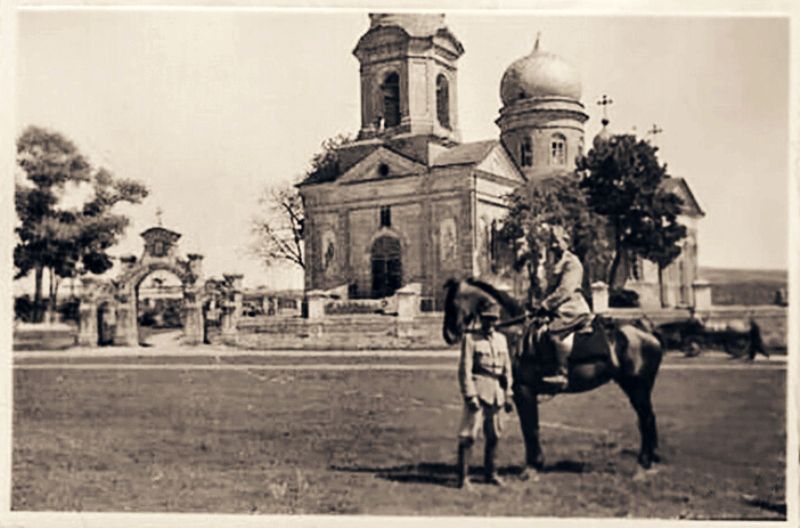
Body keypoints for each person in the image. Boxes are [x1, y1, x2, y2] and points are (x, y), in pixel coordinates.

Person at [456, 302, 514, 489]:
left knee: (494, 435)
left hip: (497, 392)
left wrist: (508, 393)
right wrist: (470, 395)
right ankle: (463, 478)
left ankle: (491, 473)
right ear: (481, 319)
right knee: (469, 435)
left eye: (494, 319)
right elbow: (464, 369)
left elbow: (507, 370)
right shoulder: (471, 339)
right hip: (479, 391)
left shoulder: (502, 340)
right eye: (487, 319)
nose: (490, 323)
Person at [539, 225, 592, 389]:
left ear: (567, 242)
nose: (553, 246)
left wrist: (546, 304)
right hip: (560, 306)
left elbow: (565, 290)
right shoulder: (558, 262)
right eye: (552, 243)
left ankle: (562, 373)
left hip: (571, 307)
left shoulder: (572, 263)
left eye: (557, 242)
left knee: (554, 333)